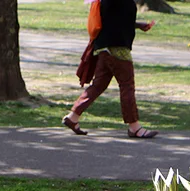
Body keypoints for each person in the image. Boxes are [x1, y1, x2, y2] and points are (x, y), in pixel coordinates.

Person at [62, 0, 158, 138]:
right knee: (127, 86)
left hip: (104, 47)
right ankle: (134, 127)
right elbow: (114, 20)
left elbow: (115, 18)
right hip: (117, 47)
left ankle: (73, 117)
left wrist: (137, 25)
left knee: (98, 85)